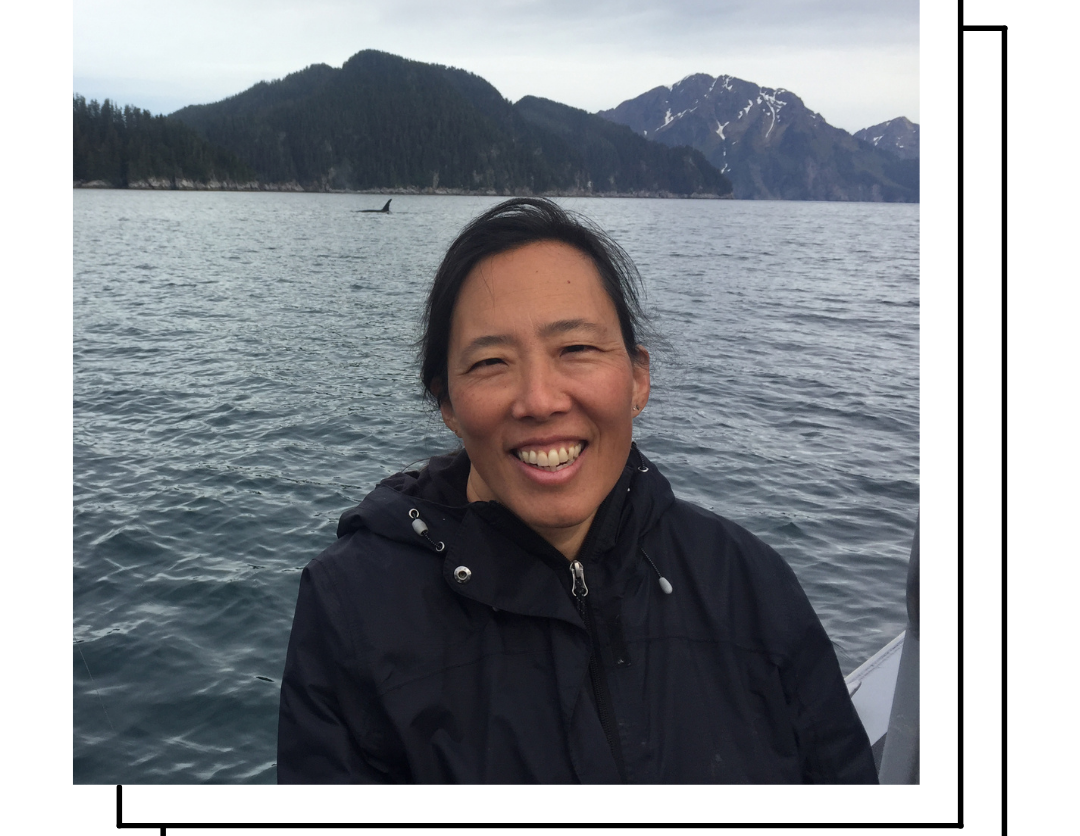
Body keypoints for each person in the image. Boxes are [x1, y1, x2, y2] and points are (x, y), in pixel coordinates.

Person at [277, 197, 878, 784]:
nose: (540, 400)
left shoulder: (746, 581)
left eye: (578, 349)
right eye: (490, 362)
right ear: (448, 405)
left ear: (638, 378)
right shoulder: (353, 608)